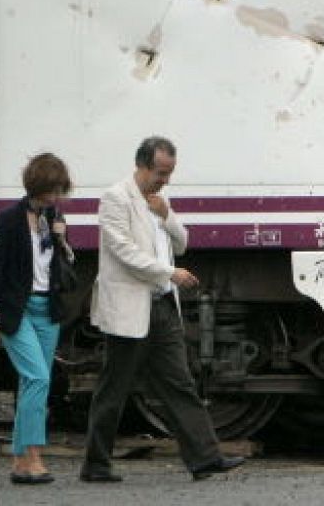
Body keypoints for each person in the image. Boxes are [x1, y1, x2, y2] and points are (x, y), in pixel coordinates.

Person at [80, 136, 246, 483]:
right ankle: (96, 462)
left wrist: (166, 214)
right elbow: (123, 252)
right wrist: (169, 273)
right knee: (115, 388)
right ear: (141, 165)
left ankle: (205, 458)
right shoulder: (115, 198)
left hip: (162, 306)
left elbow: (182, 242)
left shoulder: (159, 200)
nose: (165, 180)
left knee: (179, 383)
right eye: (160, 173)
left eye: (169, 173)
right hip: (130, 306)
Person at [0, 153, 76, 485]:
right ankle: (33, 454)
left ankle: (21, 462)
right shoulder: (8, 220)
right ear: (36, 185)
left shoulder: (53, 217)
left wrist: (63, 238)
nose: (55, 196)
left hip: (46, 311)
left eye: (59, 190)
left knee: (30, 383)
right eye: (50, 190)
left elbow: (62, 265)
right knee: (38, 378)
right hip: (15, 310)